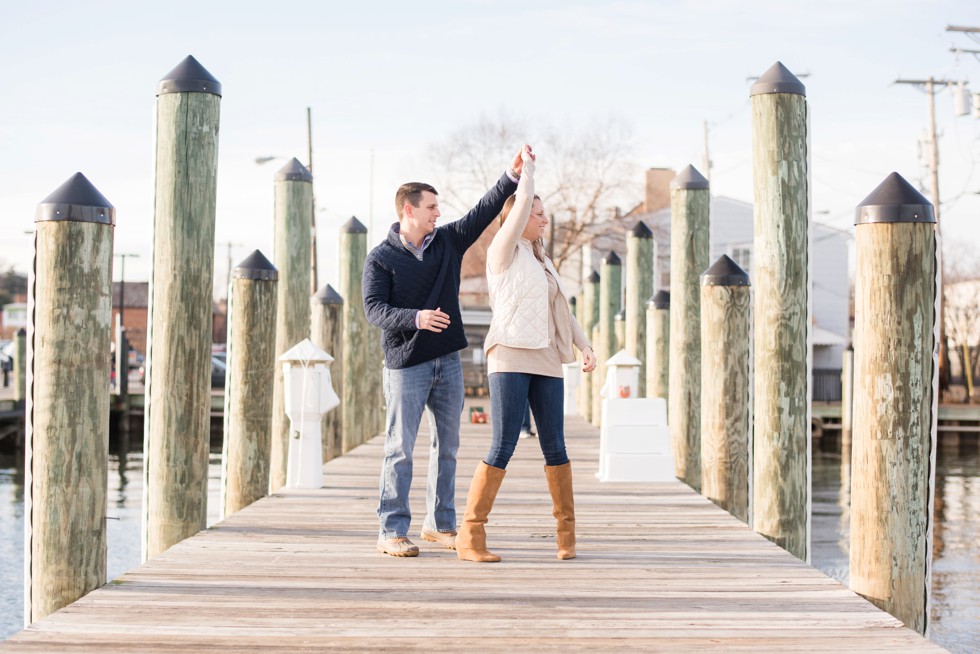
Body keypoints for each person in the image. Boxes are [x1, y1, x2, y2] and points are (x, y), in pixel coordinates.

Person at [363, 145, 532, 557]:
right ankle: (391, 531)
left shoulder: (449, 242)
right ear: (409, 210)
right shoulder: (380, 259)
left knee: (449, 447)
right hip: (405, 365)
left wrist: (510, 175)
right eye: (432, 207)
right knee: (400, 448)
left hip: (448, 362)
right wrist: (416, 318)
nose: (438, 213)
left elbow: (483, 210)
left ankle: (440, 524)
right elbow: (374, 310)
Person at [456, 149, 596, 563]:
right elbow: (517, 213)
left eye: (543, 213)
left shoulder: (544, 261)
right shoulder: (503, 251)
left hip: (548, 359)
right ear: (518, 217)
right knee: (503, 444)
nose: (544, 220)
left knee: (556, 445)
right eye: (537, 213)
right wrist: (527, 174)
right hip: (511, 357)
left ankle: (566, 535)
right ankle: (471, 536)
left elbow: (562, 311)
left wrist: (584, 346)